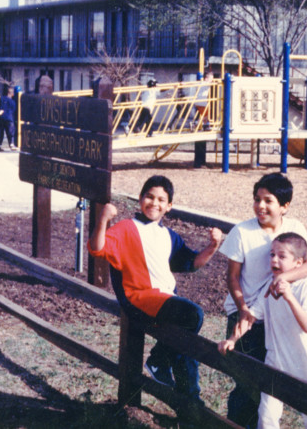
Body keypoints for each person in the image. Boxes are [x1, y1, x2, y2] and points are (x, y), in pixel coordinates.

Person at [88, 175, 222, 409]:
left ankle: (189, 405)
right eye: (149, 196)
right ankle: (160, 360)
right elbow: (97, 249)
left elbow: (192, 262)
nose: (154, 203)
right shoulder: (126, 228)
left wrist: (213, 246)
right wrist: (104, 219)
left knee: (184, 346)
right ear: (140, 198)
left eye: (161, 199)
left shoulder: (168, 236)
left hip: (164, 300)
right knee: (193, 316)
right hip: (139, 297)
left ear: (169, 206)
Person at [219, 172, 307, 428]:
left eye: (268, 200)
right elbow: (232, 278)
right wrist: (242, 309)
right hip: (247, 313)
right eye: (257, 199)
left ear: (284, 206)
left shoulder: (295, 228)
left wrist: (281, 280)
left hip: (280, 312)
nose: (260, 206)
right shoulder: (242, 231)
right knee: (248, 385)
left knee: (275, 386)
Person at [193, 71, 213, 168]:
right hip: (202, 103)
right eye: (211, 78)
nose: (212, 80)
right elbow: (212, 83)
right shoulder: (206, 83)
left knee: (204, 115)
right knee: (206, 115)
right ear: (207, 77)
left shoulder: (200, 82)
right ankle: (203, 124)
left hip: (198, 103)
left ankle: (201, 124)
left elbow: (193, 84)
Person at [0, 86, 17, 151]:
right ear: (12, 93)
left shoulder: (1, 99)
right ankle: (11, 144)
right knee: (10, 132)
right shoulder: (12, 101)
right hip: (9, 118)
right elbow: (14, 110)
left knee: (0, 132)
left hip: (0, 118)